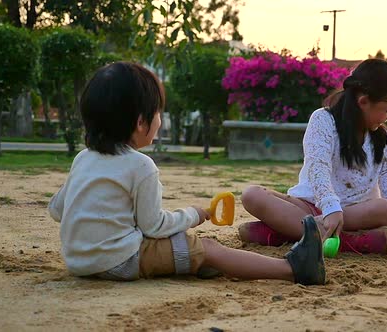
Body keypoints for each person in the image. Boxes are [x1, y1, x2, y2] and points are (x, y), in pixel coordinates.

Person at [48, 61, 326, 285]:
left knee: (186, 251)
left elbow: (57, 210)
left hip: (78, 262)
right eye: (158, 113)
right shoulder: (140, 165)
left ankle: (197, 265)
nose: (159, 120)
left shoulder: (83, 158)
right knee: (208, 247)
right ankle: (293, 268)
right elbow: (153, 227)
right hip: (121, 261)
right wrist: (195, 214)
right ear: (141, 122)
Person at [240, 58, 387, 259]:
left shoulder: (385, 141)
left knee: (386, 209)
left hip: (354, 214)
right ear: (364, 102)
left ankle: (289, 232)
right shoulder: (323, 120)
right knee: (252, 195)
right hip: (310, 205)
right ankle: (349, 242)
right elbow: (318, 166)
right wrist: (330, 208)